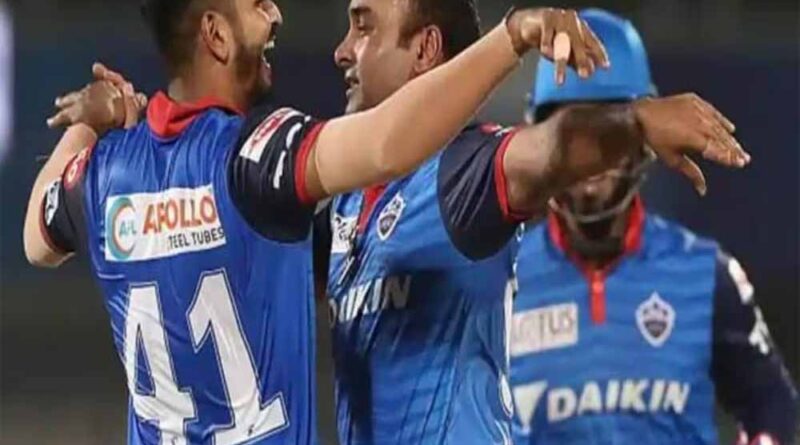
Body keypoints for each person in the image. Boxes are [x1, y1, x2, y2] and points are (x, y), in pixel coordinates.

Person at [22, 0, 609, 443]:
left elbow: (36, 242)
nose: (275, 13)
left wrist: (91, 126)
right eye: (256, 3)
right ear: (216, 35)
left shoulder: (103, 174)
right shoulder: (254, 157)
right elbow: (385, 144)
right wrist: (511, 37)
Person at [321, 1, 748, 444]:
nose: (342, 51)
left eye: (363, 29)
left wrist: (636, 123)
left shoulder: (459, 173)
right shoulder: (346, 203)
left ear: (425, 49)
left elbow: (551, 149)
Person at [508, 9, 798, 445]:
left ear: (645, 139)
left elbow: (769, 403)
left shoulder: (705, 274)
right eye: (571, 139)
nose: (590, 163)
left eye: (607, 136)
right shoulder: (499, 283)